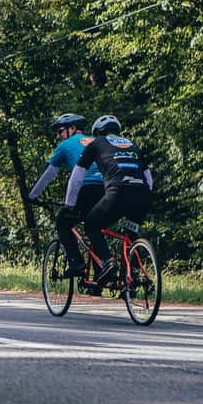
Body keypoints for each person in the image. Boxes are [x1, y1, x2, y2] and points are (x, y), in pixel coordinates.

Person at [63, 114, 153, 288]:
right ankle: (131, 280)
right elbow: (149, 179)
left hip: (118, 192)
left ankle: (108, 262)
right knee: (130, 236)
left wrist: (70, 205)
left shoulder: (96, 144)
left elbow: (76, 177)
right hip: (142, 195)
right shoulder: (133, 146)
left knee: (91, 225)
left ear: (97, 132)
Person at [26, 113, 104, 277]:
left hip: (85, 188)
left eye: (60, 131)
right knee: (94, 227)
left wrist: (32, 196)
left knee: (63, 222)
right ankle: (100, 275)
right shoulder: (97, 141)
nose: (58, 136)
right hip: (107, 189)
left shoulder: (65, 146)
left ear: (73, 129)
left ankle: (76, 263)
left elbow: (48, 174)